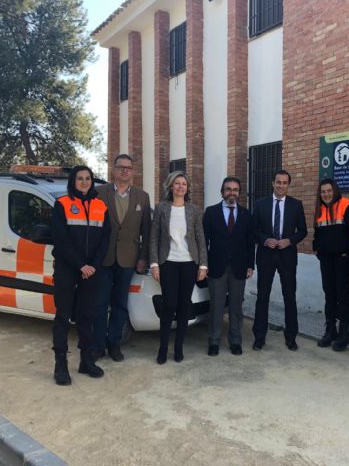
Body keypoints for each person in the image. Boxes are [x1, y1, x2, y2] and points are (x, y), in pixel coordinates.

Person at [51, 166, 110, 386]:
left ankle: (86, 361)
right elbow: (61, 240)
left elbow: (105, 239)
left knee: (87, 315)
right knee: (63, 316)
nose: (84, 182)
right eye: (80, 178)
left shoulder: (101, 206)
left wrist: (92, 265)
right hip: (67, 268)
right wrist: (80, 265)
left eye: (88, 178)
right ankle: (60, 365)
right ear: (72, 182)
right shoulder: (62, 204)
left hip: (91, 270)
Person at [93, 154, 151, 362]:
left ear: (132, 171)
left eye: (128, 167)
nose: (125, 171)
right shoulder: (99, 193)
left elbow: (147, 230)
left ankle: (114, 344)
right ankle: (98, 346)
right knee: (100, 304)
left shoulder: (142, 197)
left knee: (120, 305)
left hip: (128, 260)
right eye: (121, 167)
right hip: (103, 259)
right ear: (113, 170)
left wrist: (143, 257)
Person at [149, 171, 208, 364]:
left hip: (189, 263)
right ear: (170, 186)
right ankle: (163, 348)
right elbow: (154, 237)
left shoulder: (194, 210)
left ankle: (179, 348)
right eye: (177, 183)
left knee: (184, 306)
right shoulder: (161, 208)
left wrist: (203, 265)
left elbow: (200, 238)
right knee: (169, 305)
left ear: (187, 188)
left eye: (184, 184)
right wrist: (154, 263)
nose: (180, 186)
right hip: (168, 263)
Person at [252, 170, 307, 351]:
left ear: (288, 185)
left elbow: (303, 231)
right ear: (273, 183)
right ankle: (259, 337)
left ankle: (291, 337)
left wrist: (289, 240)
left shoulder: (296, 205)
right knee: (262, 297)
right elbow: (253, 229)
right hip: (266, 256)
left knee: (289, 297)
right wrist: (264, 239)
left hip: (287, 256)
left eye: (284, 183)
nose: (281, 185)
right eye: (278, 182)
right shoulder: (260, 204)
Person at [203, 177, 255, 356]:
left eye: (235, 189)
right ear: (222, 192)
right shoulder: (211, 212)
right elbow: (204, 241)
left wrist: (251, 265)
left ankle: (235, 341)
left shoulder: (246, 214)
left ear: (239, 193)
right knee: (216, 306)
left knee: (236, 307)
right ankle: (214, 341)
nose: (231, 192)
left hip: (239, 267)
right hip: (216, 266)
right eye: (228, 189)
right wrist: (204, 264)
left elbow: (250, 242)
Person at [312, 178, 349, 351]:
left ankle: (344, 332)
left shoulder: (347, 205)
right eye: (323, 192)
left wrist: (348, 252)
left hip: (342, 260)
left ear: (335, 190)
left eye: (329, 191)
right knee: (329, 294)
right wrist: (317, 249)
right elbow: (317, 234)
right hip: (326, 260)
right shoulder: (320, 209)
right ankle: (330, 330)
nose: (326, 194)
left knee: (342, 295)